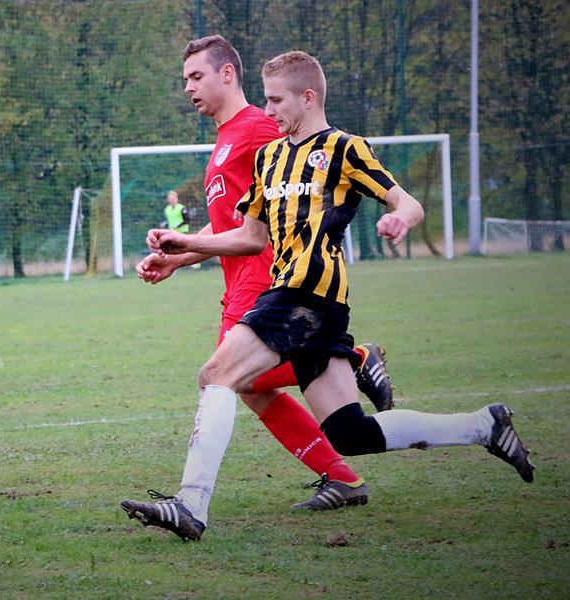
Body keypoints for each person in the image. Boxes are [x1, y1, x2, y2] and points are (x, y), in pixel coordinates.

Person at [123, 49, 535, 542]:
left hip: (306, 297)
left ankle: (190, 504)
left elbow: (406, 198)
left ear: (308, 97)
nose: (268, 109)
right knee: (349, 433)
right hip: (302, 305)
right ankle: (483, 426)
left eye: (276, 100)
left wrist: (401, 217)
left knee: (215, 375)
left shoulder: (344, 148)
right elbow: (250, 237)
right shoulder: (272, 156)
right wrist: (186, 244)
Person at [122, 36, 393, 540]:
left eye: (196, 76)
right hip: (241, 278)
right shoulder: (227, 138)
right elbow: (237, 224)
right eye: (185, 79)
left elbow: (294, 195)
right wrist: (181, 259)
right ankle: (342, 472)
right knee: (245, 387)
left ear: (228, 74)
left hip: (266, 279)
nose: (188, 88)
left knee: (228, 379)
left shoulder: (258, 129)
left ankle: (350, 361)